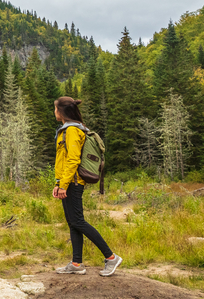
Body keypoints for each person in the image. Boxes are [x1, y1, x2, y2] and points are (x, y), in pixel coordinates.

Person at [52, 96, 122, 277]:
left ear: (62, 112)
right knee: (73, 223)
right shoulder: (67, 130)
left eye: (55, 109)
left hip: (73, 183)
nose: (54, 112)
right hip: (68, 182)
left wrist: (64, 184)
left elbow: (73, 159)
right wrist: (58, 183)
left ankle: (111, 257)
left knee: (78, 222)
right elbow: (63, 161)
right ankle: (76, 263)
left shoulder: (73, 131)